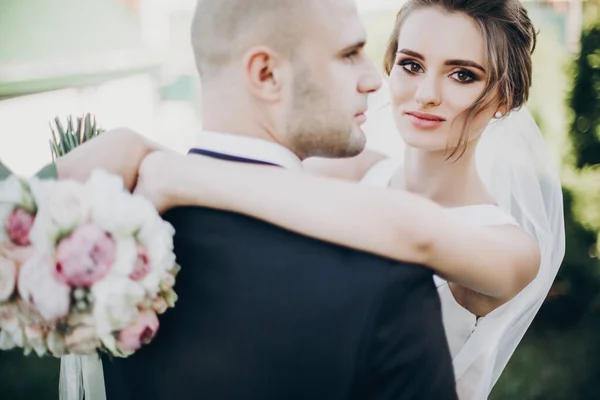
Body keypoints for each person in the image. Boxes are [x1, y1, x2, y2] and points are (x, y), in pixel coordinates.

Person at [126, 0, 565, 398]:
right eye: (411, 65)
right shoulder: (348, 169)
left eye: (462, 75)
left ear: (504, 99)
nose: (427, 93)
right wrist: (135, 149)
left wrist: (175, 172)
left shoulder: (513, 250)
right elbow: (250, 175)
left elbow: (417, 237)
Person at [62, 0, 460, 399]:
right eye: (350, 54)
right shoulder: (383, 278)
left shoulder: (96, 244)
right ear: (267, 74)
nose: (374, 80)